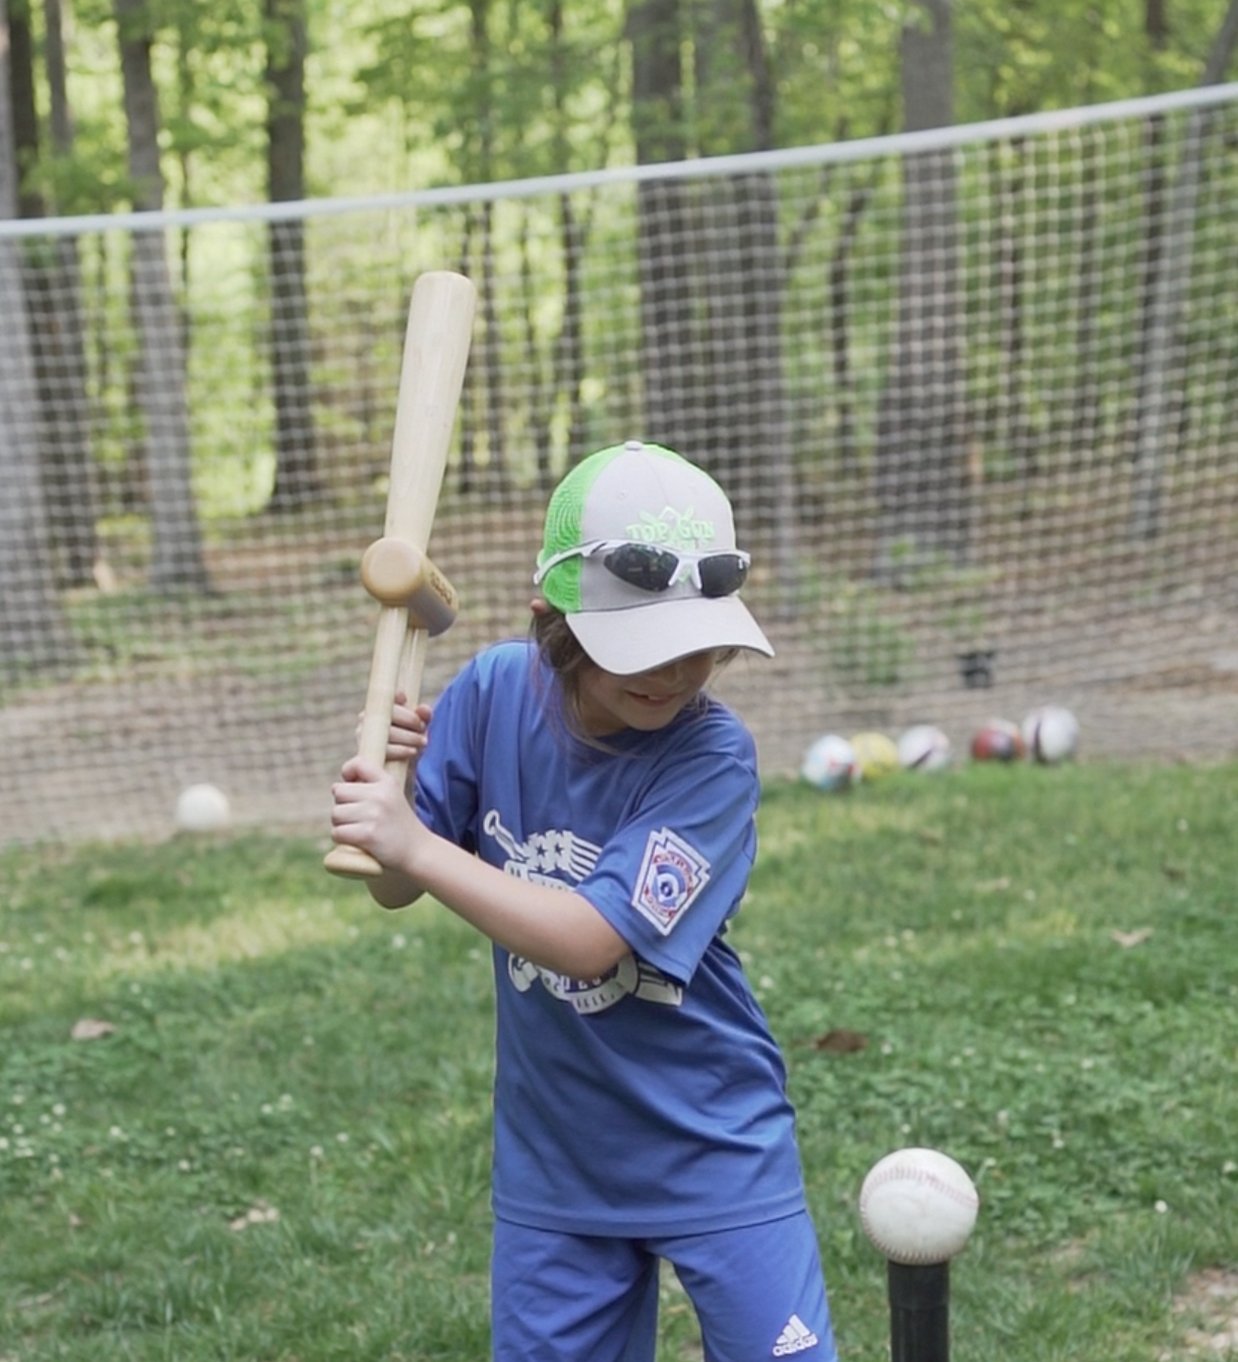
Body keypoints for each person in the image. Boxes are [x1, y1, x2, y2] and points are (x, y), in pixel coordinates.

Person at [330, 439, 837, 1362]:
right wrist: (395, 804)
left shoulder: (711, 758)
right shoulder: (489, 692)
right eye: (639, 647)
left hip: (710, 1144)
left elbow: (589, 942)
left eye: (698, 647)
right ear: (550, 619)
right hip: (557, 1164)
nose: (674, 676)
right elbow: (397, 890)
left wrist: (414, 844)